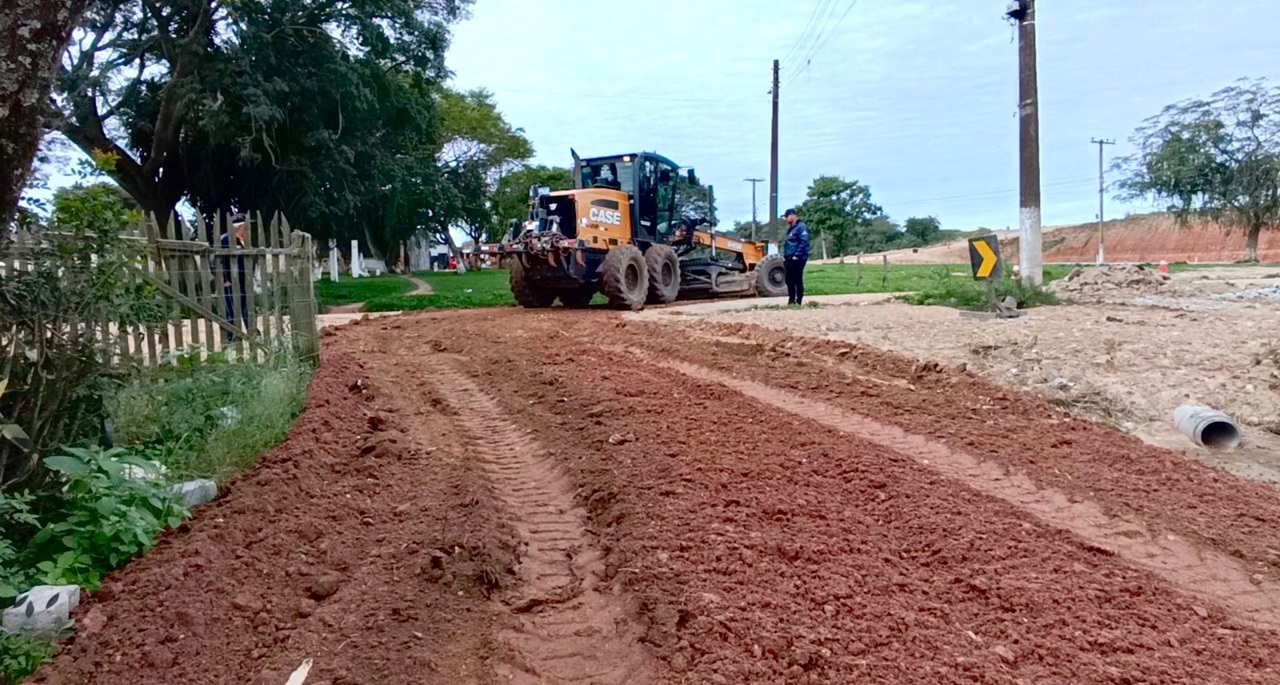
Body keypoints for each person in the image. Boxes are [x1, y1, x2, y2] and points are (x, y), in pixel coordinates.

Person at [220, 214, 250, 341]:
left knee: (246, 308)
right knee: (231, 310)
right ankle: (231, 337)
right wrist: (223, 279)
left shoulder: (242, 241)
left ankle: (251, 332)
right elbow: (216, 261)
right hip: (231, 282)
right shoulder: (226, 240)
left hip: (243, 282)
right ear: (240, 227)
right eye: (245, 227)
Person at [782, 208, 811, 306]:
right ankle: (791, 300)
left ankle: (798, 301)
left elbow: (804, 242)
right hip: (789, 258)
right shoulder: (791, 228)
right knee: (789, 280)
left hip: (797, 258)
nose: (786, 219)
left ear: (792, 215)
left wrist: (796, 255)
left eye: (786, 217)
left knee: (797, 279)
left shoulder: (801, 227)